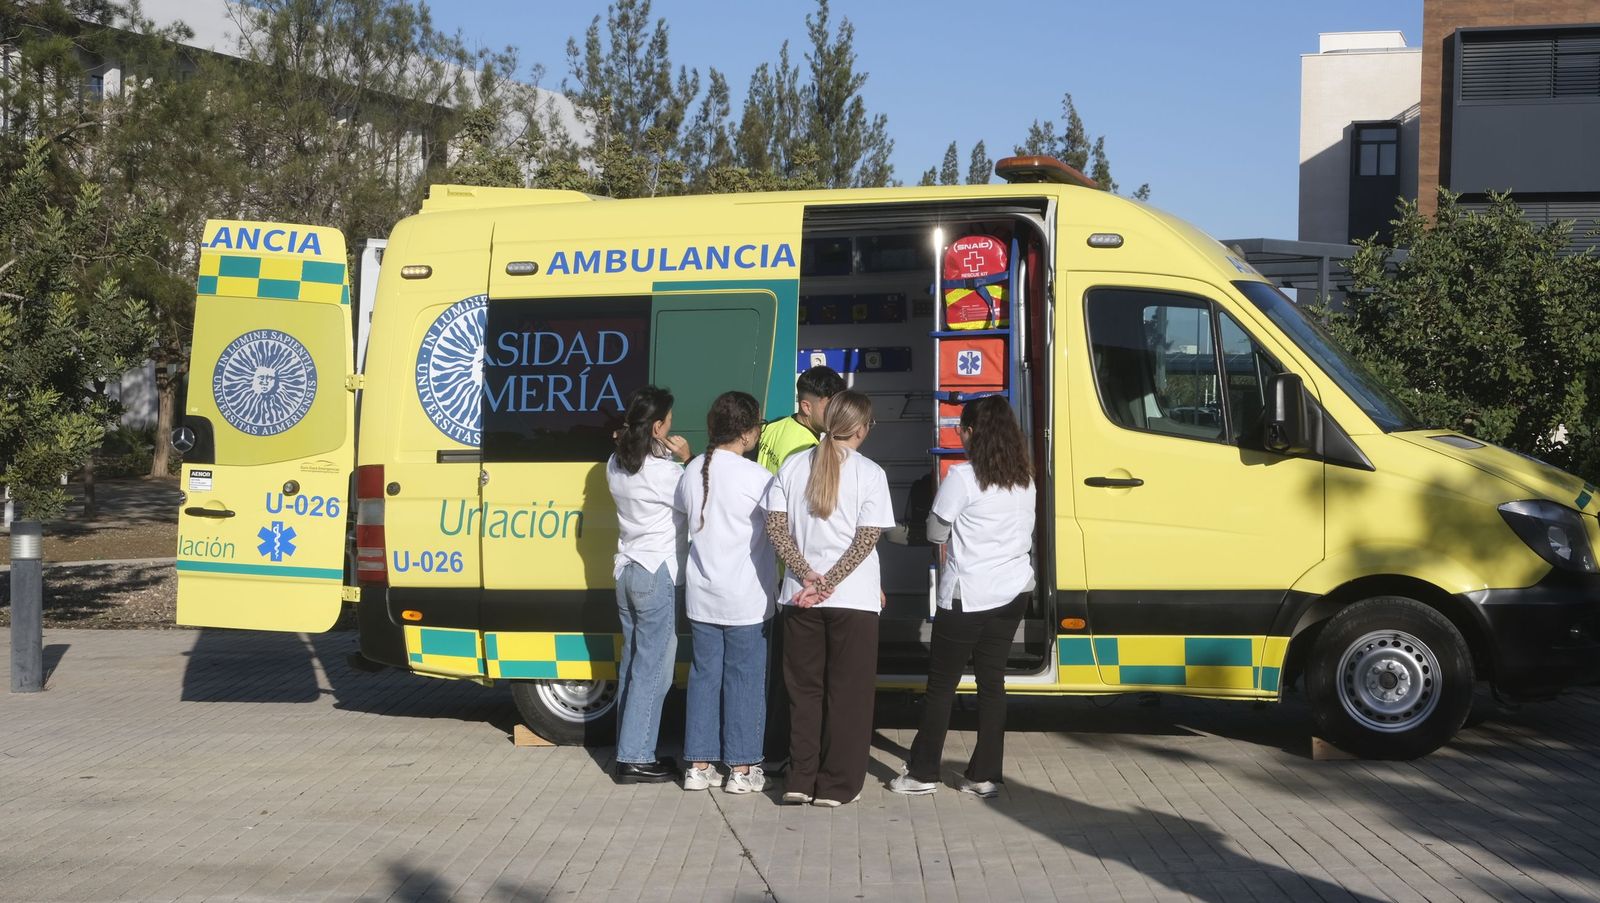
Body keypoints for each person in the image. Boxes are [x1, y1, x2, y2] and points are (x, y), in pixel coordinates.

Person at [889, 396, 1036, 799]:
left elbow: (936, 533)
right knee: (993, 684)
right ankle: (985, 775)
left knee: (942, 686)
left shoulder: (963, 477)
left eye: (961, 429)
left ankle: (922, 774)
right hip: (1014, 592)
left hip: (968, 595)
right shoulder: (1025, 479)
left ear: (972, 433)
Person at [763, 391, 896, 807]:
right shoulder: (870, 473)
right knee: (849, 696)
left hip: (799, 599)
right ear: (861, 429)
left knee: (804, 694)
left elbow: (775, 528)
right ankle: (837, 786)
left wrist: (807, 577)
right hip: (852, 600)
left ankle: (799, 780)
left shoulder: (791, 466)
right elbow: (866, 539)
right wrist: (829, 581)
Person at [673, 391, 777, 794]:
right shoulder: (757, 477)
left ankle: (698, 767)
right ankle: (743, 768)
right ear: (749, 434)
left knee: (703, 678)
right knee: (745, 681)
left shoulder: (693, 469)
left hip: (702, 595)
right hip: (746, 596)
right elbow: (780, 531)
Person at [757, 365, 845, 772]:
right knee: (788, 674)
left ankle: (769, 748)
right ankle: (778, 753)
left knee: (777, 668)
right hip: (788, 567)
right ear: (808, 405)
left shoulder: (775, 430)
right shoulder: (802, 447)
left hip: (769, 561)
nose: (838, 414)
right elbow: (801, 513)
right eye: (832, 407)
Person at [606, 385, 690, 783]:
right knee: (653, 668)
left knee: (633, 664)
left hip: (625, 570)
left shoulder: (614, 463)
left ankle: (628, 747)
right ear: (658, 427)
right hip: (655, 573)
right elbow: (697, 502)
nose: (673, 426)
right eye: (669, 421)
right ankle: (636, 756)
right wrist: (687, 458)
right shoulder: (666, 473)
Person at [758, 365, 846, 474]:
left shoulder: (773, 425)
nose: (838, 412)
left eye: (839, 406)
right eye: (830, 407)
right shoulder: (810, 453)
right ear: (806, 407)